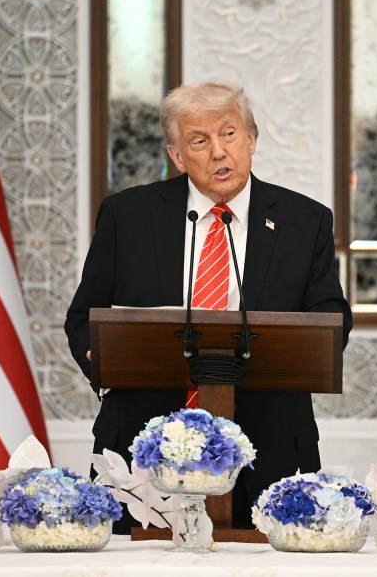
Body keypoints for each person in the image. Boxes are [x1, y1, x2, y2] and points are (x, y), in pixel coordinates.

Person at [65, 80, 353, 531]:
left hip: (270, 449)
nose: (219, 152)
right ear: (177, 156)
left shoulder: (305, 220)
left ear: (252, 140)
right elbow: (83, 316)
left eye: (230, 134)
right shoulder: (129, 216)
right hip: (144, 445)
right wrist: (101, 357)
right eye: (200, 141)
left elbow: (332, 320)